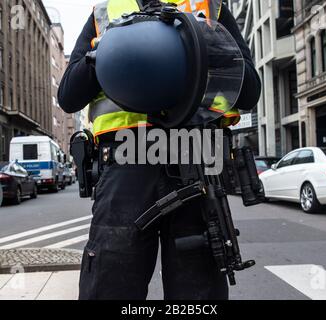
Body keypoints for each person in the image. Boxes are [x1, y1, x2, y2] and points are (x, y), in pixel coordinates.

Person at [58, 0, 261, 300]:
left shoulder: (209, 7)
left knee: (196, 295)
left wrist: (201, 44)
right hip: (131, 162)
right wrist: (110, 49)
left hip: (193, 165)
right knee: (111, 286)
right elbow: (69, 97)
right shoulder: (106, 13)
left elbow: (249, 92)